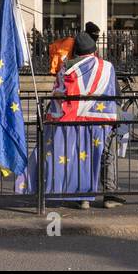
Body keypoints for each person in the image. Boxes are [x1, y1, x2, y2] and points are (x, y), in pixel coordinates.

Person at [45, 31, 127, 210]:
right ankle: (110, 195)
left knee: (82, 156)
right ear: (94, 50)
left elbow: (58, 95)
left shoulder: (66, 68)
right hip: (103, 119)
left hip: (74, 120)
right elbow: (116, 93)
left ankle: (82, 197)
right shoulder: (106, 66)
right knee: (107, 156)